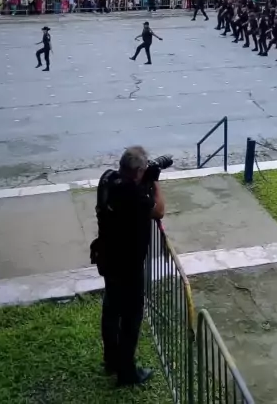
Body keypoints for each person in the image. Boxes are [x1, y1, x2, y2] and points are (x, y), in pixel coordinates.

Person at [93, 146, 165, 386]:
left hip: (107, 256)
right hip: (129, 265)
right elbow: (159, 210)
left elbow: (127, 195)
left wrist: (143, 179)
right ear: (138, 172)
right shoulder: (134, 195)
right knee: (131, 318)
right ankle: (127, 372)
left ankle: (111, 360)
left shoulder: (107, 179)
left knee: (111, 310)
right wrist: (155, 183)